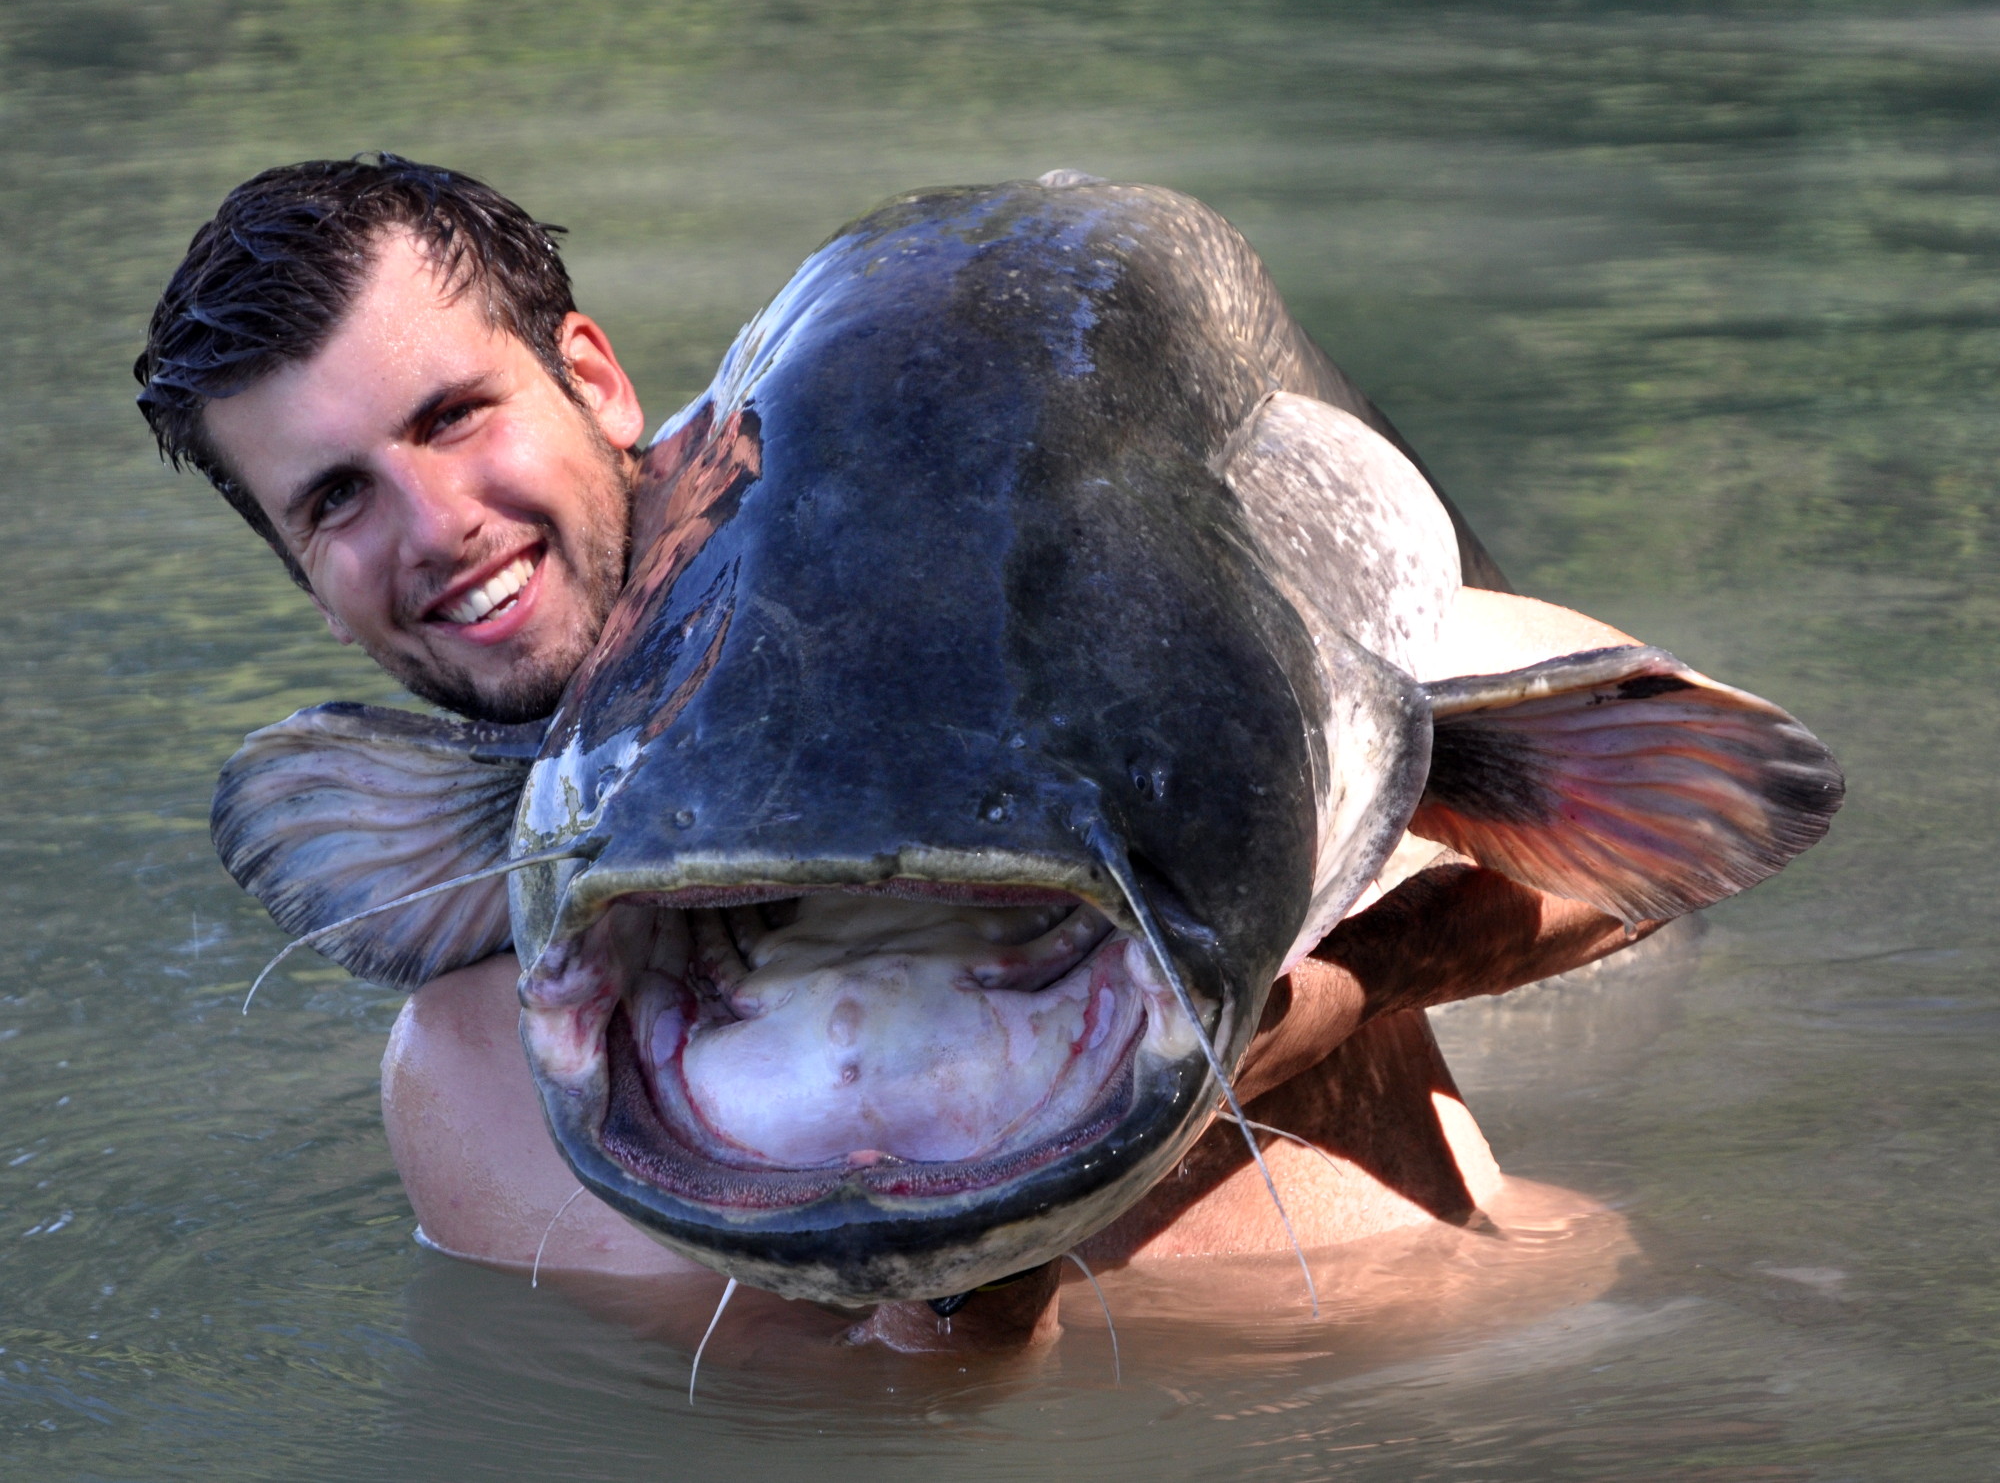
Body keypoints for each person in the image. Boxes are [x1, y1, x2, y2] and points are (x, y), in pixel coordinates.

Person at [137, 154, 1656, 1351]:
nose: (434, 526)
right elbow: (852, 1435)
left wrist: (1335, 991)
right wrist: (981, 1271)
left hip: (1533, 1337)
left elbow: (1679, 812)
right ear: (301, 579)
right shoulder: (484, 1062)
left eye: (457, 414)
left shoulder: (1024, 543)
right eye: (333, 501)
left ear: (594, 380)